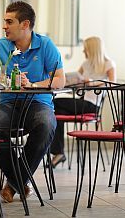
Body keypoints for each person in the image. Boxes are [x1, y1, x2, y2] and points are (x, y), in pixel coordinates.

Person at [0, 1, 65, 203]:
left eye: (9, 22)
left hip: (38, 102)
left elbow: (59, 80)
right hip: (8, 102)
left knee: (46, 124)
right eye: (4, 21)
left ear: (25, 24)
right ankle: (19, 180)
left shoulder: (45, 44)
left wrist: (33, 85)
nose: (4, 26)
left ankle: (13, 183)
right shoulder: (0, 45)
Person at [50, 36, 116, 167]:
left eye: (85, 48)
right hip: (82, 101)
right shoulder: (85, 65)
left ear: (92, 49)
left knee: (56, 103)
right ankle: (58, 152)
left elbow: (112, 84)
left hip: (93, 105)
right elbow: (77, 79)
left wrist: (92, 82)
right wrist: (73, 82)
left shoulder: (108, 64)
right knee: (58, 112)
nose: (83, 51)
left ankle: (57, 152)